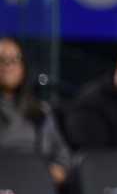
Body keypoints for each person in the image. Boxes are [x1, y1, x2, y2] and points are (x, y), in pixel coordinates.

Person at [0, 37, 71, 186]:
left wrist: (44, 176)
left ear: (24, 66)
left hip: (36, 191)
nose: (8, 65)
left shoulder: (41, 112)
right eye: (1, 59)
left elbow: (63, 160)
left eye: (15, 59)